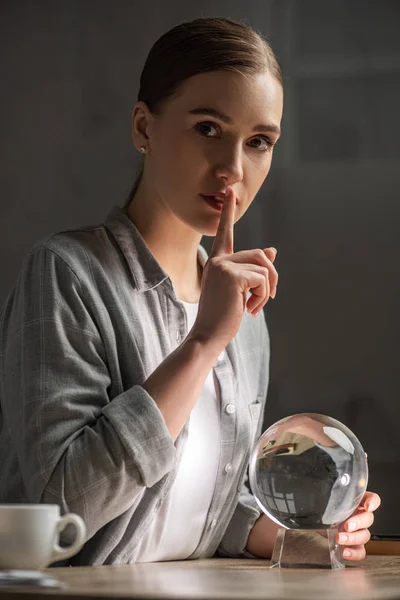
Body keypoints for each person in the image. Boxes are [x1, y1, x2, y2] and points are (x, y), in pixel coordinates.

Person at [0, 17, 380, 566]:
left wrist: (300, 539)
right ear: (143, 128)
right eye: (208, 128)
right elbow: (60, 509)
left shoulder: (244, 315)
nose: (232, 168)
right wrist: (203, 342)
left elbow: (205, 504)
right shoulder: (66, 273)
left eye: (259, 142)